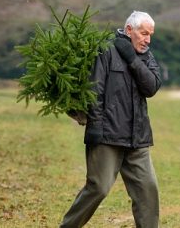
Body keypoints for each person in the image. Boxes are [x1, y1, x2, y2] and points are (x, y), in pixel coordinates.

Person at [61, 11, 162, 228]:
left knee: (148, 191)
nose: (148, 39)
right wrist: (96, 127)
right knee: (98, 188)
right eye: (144, 33)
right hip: (108, 135)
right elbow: (94, 91)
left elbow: (151, 86)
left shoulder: (145, 55)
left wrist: (133, 59)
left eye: (150, 35)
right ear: (129, 30)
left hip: (138, 138)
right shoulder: (105, 51)